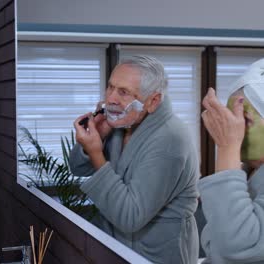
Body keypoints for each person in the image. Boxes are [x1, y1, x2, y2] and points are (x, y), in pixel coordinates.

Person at [70, 55, 199, 263]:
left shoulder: (170, 139)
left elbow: (130, 217)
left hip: (156, 255)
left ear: (153, 101)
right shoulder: (122, 124)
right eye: (110, 87)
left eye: (123, 92)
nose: (111, 98)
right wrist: (99, 138)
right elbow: (76, 167)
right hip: (118, 249)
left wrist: (96, 154)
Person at [199, 58, 264, 263]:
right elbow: (214, 242)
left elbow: (235, 247)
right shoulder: (246, 175)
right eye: (230, 117)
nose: (233, 127)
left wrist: (227, 148)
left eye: (244, 120)